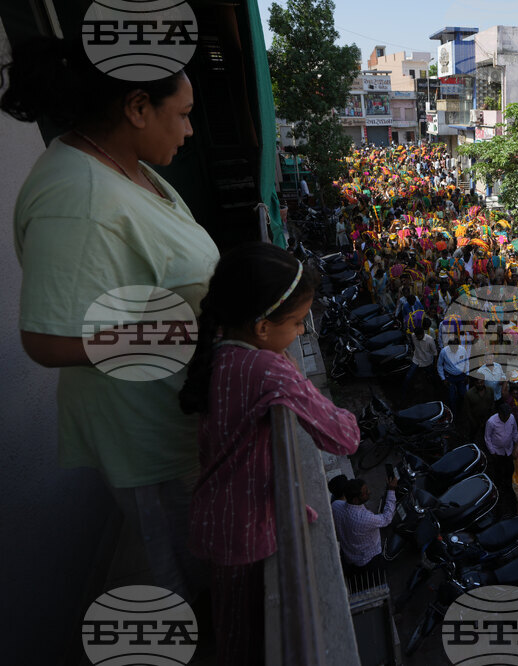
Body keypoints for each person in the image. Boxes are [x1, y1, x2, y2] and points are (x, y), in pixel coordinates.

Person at [6, 37, 219, 601]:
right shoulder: (77, 197)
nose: (189, 130)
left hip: (174, 413)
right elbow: (48, 339)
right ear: (137, 108)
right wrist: (182, 334)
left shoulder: (125, 168)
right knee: (191, 570)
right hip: (145, 435)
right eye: (183, 115)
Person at [182, 244, 360, 666]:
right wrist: (298, 379)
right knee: (247, 642)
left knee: (231, 626)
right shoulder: (267, 370)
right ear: (262, 327)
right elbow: (344, 438)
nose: (301, 334)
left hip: (217, 517)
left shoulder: (223, 350)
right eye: (298, 323)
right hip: (245, 533)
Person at [340, 477, 398, 572]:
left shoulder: (337, 506)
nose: (369, 492)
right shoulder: (364, 518)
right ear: (355, 500)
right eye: (366, 492)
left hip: (348, 554)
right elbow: (387, 518)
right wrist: (391, 491)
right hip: (368, 560)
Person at [438, 334, 470, 411]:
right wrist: (443, 379)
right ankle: (453, 412)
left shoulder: (462, 350)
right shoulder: (444, 352)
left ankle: (462, 410)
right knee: (451, 397)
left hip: (461, 376)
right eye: (452, 346)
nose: (454, 348)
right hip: (450, 377)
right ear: (449, 345)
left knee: (463, 394)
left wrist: (467, 375)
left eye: (456, 346)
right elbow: (439, 365)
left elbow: (467, 362)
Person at [404, 322, 437, 389]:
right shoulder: (413, 335)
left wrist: (435, 364)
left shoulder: (430, 340)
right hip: (416, 360)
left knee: (432, 376)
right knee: (408, 377)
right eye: (417, 336)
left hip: (427, 361)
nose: (418, 337)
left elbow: (435, 353)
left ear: (423, 334)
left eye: (419, 336)